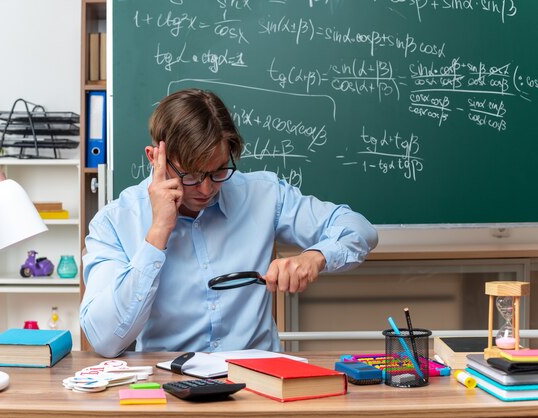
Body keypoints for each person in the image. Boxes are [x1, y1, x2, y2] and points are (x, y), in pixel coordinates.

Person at [80, 88, 378, 357]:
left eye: (219, 170)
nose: (207, 189)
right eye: (192, 176)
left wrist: (317, 256)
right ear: (155, 158)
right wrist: (158, 232)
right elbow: (105, 340)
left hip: (260, 386)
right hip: (170, 389)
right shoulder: (115, 221)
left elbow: (359, 229)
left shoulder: (263, 194)